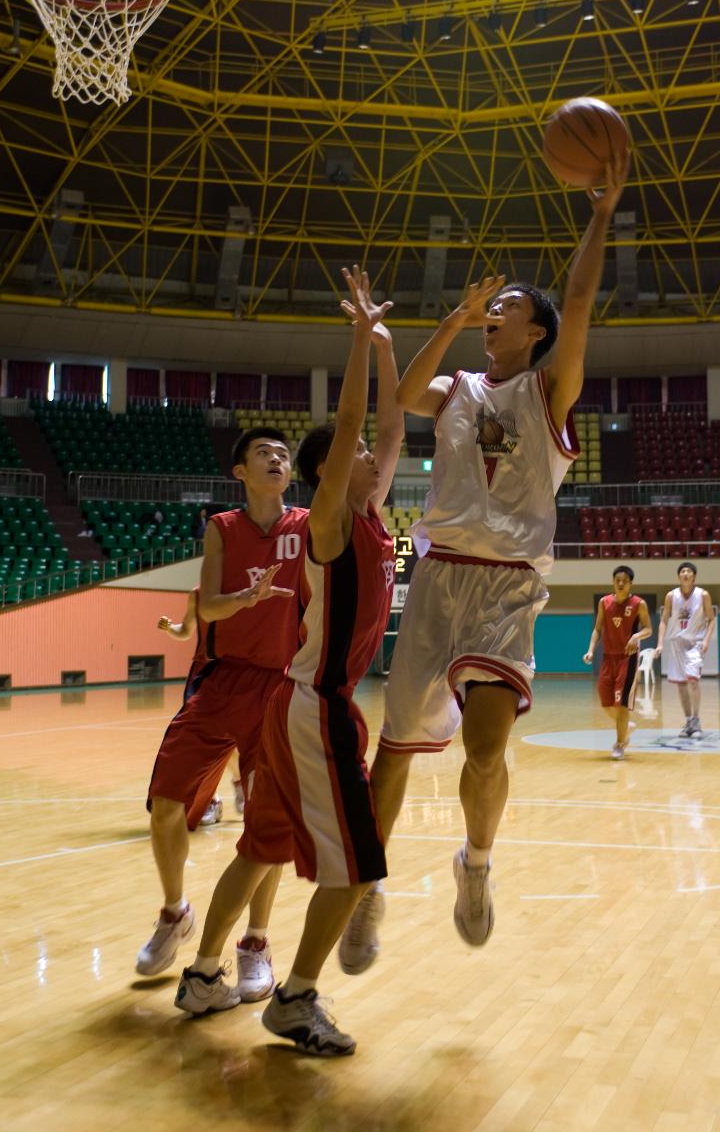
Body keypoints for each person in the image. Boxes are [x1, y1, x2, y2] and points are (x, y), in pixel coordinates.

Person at [339, 149, 629, 973]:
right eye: (487, 308)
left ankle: (474, 863)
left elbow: (575, 301)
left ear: (531, 332)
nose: (489, 312)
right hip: (437, 577)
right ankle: (366, 890)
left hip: (506, 587)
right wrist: (449, 326)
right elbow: (402, 399)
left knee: (487, 749)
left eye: (502, 308)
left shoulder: (549, 391)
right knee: (393, 744)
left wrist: (599, 216)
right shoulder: (461, 385)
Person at [174, 266, 403, 1057]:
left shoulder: (370, 515)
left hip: (291, 699)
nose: (378, 454)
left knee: (263, 845)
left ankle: (204, 973)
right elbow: (349, 425)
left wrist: (386, 341)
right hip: (313, 704)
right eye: (365, 453)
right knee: (356, 862)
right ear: (340, 470)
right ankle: (297, 997)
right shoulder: (335, 516)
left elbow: (391, 417)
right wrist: (353, 341)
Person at [135, 427, 308, 1005]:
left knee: (268, 823)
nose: (277, 458)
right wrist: (245, 600)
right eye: (264, 453)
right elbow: (206, 605)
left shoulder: (306, 526)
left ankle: (255, 943)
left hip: (281, 687)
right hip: (221, 680)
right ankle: (174, 911)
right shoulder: (223, 528)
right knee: (165, 804)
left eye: (283, 454)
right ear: (240, 471)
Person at [157, 591, 244, 825]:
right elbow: (185, 631)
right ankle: (210, 801)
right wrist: (170, 628)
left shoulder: (245, 591)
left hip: (234, 670)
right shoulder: (198, 594)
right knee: (198, 742)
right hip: (203, 673)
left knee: (229, 740)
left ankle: (239, 782)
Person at [583, 566, 652, 759]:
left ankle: (620, 744)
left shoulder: (639, 604)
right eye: (617, 580)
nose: (620, 583)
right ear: (613, 582)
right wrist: (590, 650)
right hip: (607, 658)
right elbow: (597, 629)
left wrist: (636, 636)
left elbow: (648, 629)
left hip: (627, 659)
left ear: (630, 583)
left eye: (625, 580)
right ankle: (626, 726)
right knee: (606, 703)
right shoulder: (604, 602)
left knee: (621, 705)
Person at [655, 561, 716, 739]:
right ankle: (689, 721)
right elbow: (664, 620)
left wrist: (706, 640)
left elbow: (711, 619)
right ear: (679, 576)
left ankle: (696, 721)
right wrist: (660, 643)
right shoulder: (671, 596)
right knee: (681, 685)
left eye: (689, 571)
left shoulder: (703, 595)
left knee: (693, 681)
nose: (686, 574)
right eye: (683, 571)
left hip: (696, 643)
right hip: (677, 644)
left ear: (694, 576)